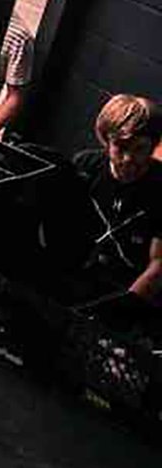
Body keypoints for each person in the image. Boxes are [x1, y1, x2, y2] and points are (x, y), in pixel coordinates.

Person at [72, 94, 161, 308]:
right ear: (106, 141)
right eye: (121, 147)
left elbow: (158, 265)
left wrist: (120, 310)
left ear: (152, 147)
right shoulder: (85, 166)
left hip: (128, 294)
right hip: (75, 282)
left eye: (139, 149)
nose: (128, 158)